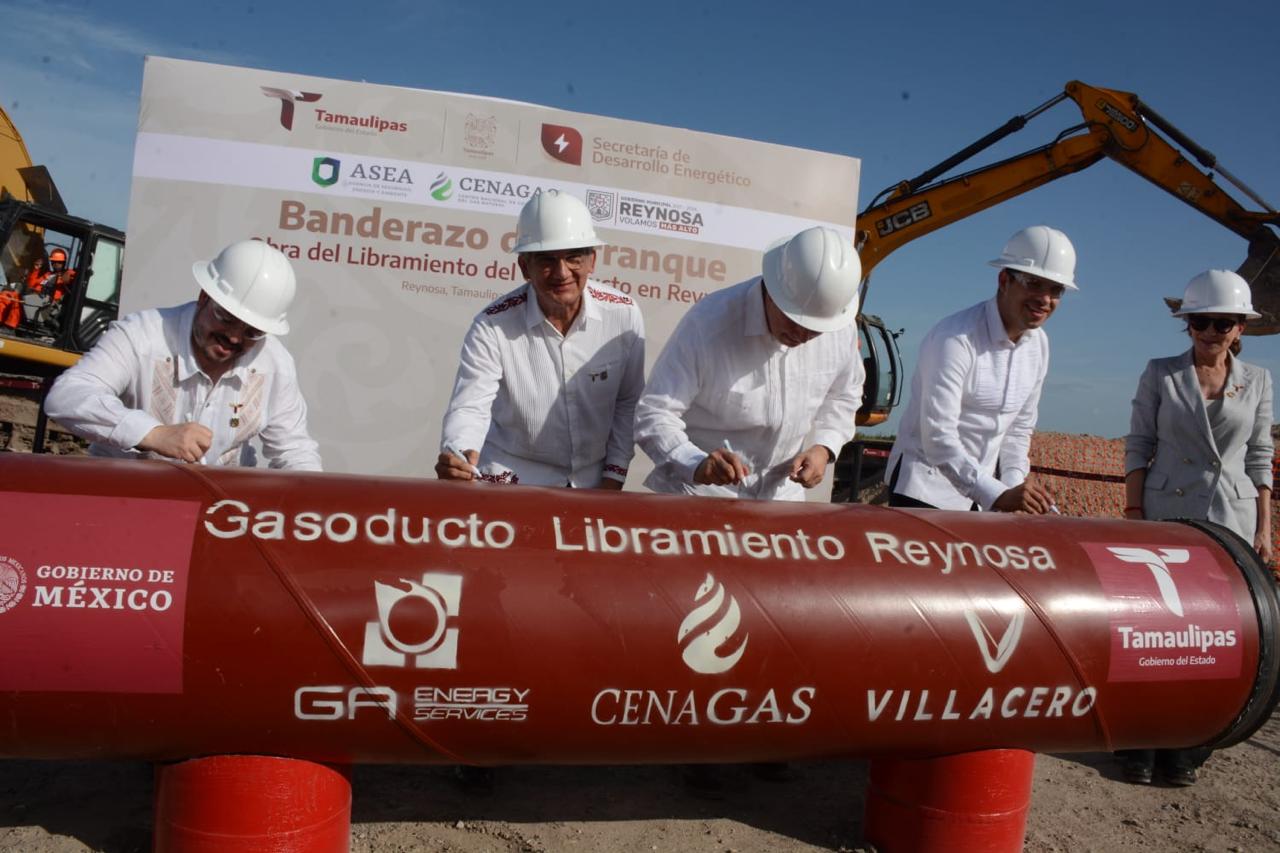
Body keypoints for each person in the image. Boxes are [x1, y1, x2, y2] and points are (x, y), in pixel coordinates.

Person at [1116, 269, 1274, 787]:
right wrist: (1135, 514)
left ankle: (1187, 742)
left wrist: (1265, 528)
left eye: (1221, 323)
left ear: (1239, 328)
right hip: (1165, 519)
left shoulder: (1259, 381)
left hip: (1230, 520)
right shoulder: (1160, 373)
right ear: (1186, 324)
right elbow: (1139, 444)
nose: (1209, 331)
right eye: (1199, 321)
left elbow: (1259, 456)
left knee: (1212, 637)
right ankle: (1138, 739)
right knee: (1155, 632)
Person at [44, 239, 321, 470]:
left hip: (218, 507)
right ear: (204, 297)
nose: (235, 337)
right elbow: (67, 396)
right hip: (126, 498)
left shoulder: (274, 363)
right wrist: (152, 434)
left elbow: (294, 450)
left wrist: (314, 505)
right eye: (226, 318)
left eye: (253, 331)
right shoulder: (141, 335)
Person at [635, 225, 864, 501]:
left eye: (815, 330)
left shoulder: (839, 329)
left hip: (783, 496)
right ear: (771, 290)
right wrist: (695, 462)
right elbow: (655, 412)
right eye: (794, 321)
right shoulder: (708, 324)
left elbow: (845, 394)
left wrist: (825, 448)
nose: (802, 336)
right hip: (702, 494)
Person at [436, 189, 645, 489]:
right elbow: (471, 406)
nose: (562, 273)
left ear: (592, 261)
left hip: (593, 479)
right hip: (511, 477)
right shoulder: (491, 325)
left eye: (573, 258)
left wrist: (614, 474)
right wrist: (459, 452)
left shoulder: (624, 314)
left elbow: (628, 401)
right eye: (547, 260)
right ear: (524, 267)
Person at [886, 225, 1078, 512]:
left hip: (979, 497)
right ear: (1004, 280)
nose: (1045, 299)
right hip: (923, 492)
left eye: (1056, 290)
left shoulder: (1039, 346)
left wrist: (1014, 490)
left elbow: (1019, 430)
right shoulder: (954, 338)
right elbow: (938, 437)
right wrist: (997, 495)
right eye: (1033, 283)